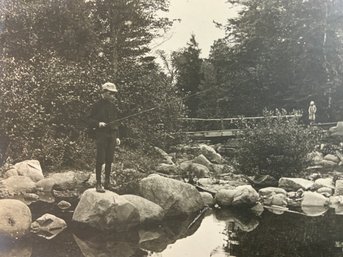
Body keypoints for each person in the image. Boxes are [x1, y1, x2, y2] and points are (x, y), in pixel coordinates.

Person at [89, 82, 121, 192]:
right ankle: (98, 183)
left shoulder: (113, 106)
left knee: (109, 160)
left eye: (114, 94)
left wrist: (117, 136)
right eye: (111, 93)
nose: (113, 96)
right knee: (100, 159)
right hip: (101, 135)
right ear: (104, 92)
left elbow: (116, 122)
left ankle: (107, 183)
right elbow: (88, 120)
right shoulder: (96, 105)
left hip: (112, 135)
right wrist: (98, 124)